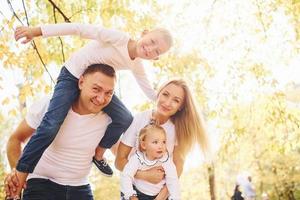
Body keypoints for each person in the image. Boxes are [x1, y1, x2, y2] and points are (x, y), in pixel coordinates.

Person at [14, 23, 173, 176]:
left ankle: (98, 154)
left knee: (125, 118)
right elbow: (79, 29)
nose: (150, 49)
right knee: (51, 124)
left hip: (97, 88)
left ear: (155, 58)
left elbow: (149, 90)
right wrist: (36, 31)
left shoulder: (137, 65)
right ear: (145, 33)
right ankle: (23, 169)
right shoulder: (119, 38)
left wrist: (165, 104)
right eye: (152, 41)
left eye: (156, 51)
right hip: (72, 76)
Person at [4, 64, 116, 200]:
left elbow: (122, 157)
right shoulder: (51, 105)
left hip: (80, 188)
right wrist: (16, 173)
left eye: (108, 93)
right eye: (96, 89)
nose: (101, 98)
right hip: (41, 183)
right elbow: (16, 139)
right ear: (81, 82)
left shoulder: (110, 119)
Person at [115, 79, 210, 199]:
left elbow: (176, 169)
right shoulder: (139, 119)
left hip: (160, 194)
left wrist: (161, 196)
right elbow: (119, 162)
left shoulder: (178, 130)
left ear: (180, 107)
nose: (167, 102)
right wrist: (144, 175)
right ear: (158, 93)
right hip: (133, 192)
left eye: (176, 100)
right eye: (165, 94)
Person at [120, 124, 180, 200]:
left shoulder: (166, 161)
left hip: (156, 196)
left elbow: (173, 180)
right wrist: (131, 196)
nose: (160, 146)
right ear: (144, 145)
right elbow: (126, 175)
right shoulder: (137, 159)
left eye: (164, 142)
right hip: (136, 193)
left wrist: (175, 197)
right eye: (155, 142)